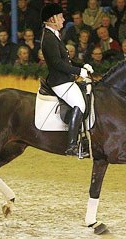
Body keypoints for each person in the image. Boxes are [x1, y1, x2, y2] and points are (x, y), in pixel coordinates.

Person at [40, 3, 94, 156]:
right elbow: (57, 64)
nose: (63, 20)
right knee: (79, 104)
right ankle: (71, 145)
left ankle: (83, 140)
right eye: (61, 17)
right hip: (59, 81)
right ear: (52, 19)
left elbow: (66, 61)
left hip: (66, 79)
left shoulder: (54, 35)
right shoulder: (49, 38)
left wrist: (83, 65)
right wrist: (78, 71)